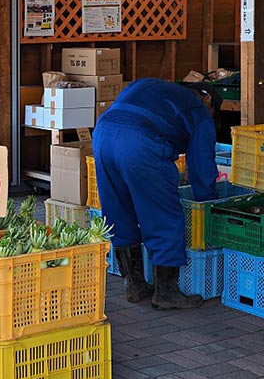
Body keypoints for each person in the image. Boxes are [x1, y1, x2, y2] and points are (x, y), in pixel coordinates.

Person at [93, 78, 222, 310]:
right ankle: (166, 293)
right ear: (208, 100)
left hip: (103, 135)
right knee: (163, 216)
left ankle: (134, 285)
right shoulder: (199, 111)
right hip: (139, 144)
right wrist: (207, 201)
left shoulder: (150, 85)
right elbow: (202, 167)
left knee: (118, 211)